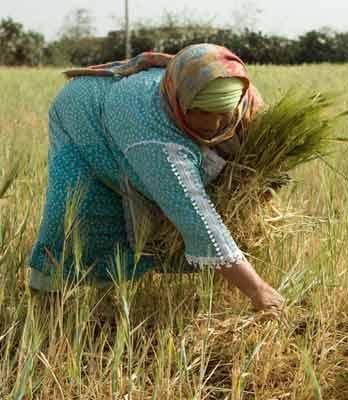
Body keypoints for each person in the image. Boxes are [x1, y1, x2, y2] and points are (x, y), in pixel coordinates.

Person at [28, 44, 284, 312]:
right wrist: (257, 289)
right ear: (180, 101)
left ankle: (107, 295)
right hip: (81, 115)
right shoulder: (154, 136)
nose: (215, 124)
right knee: (81, 205)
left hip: (123, 112)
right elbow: (196, 217)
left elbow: (264, 156)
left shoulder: (241, 96)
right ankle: (48, 299)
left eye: (223, 113)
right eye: (203, 112)